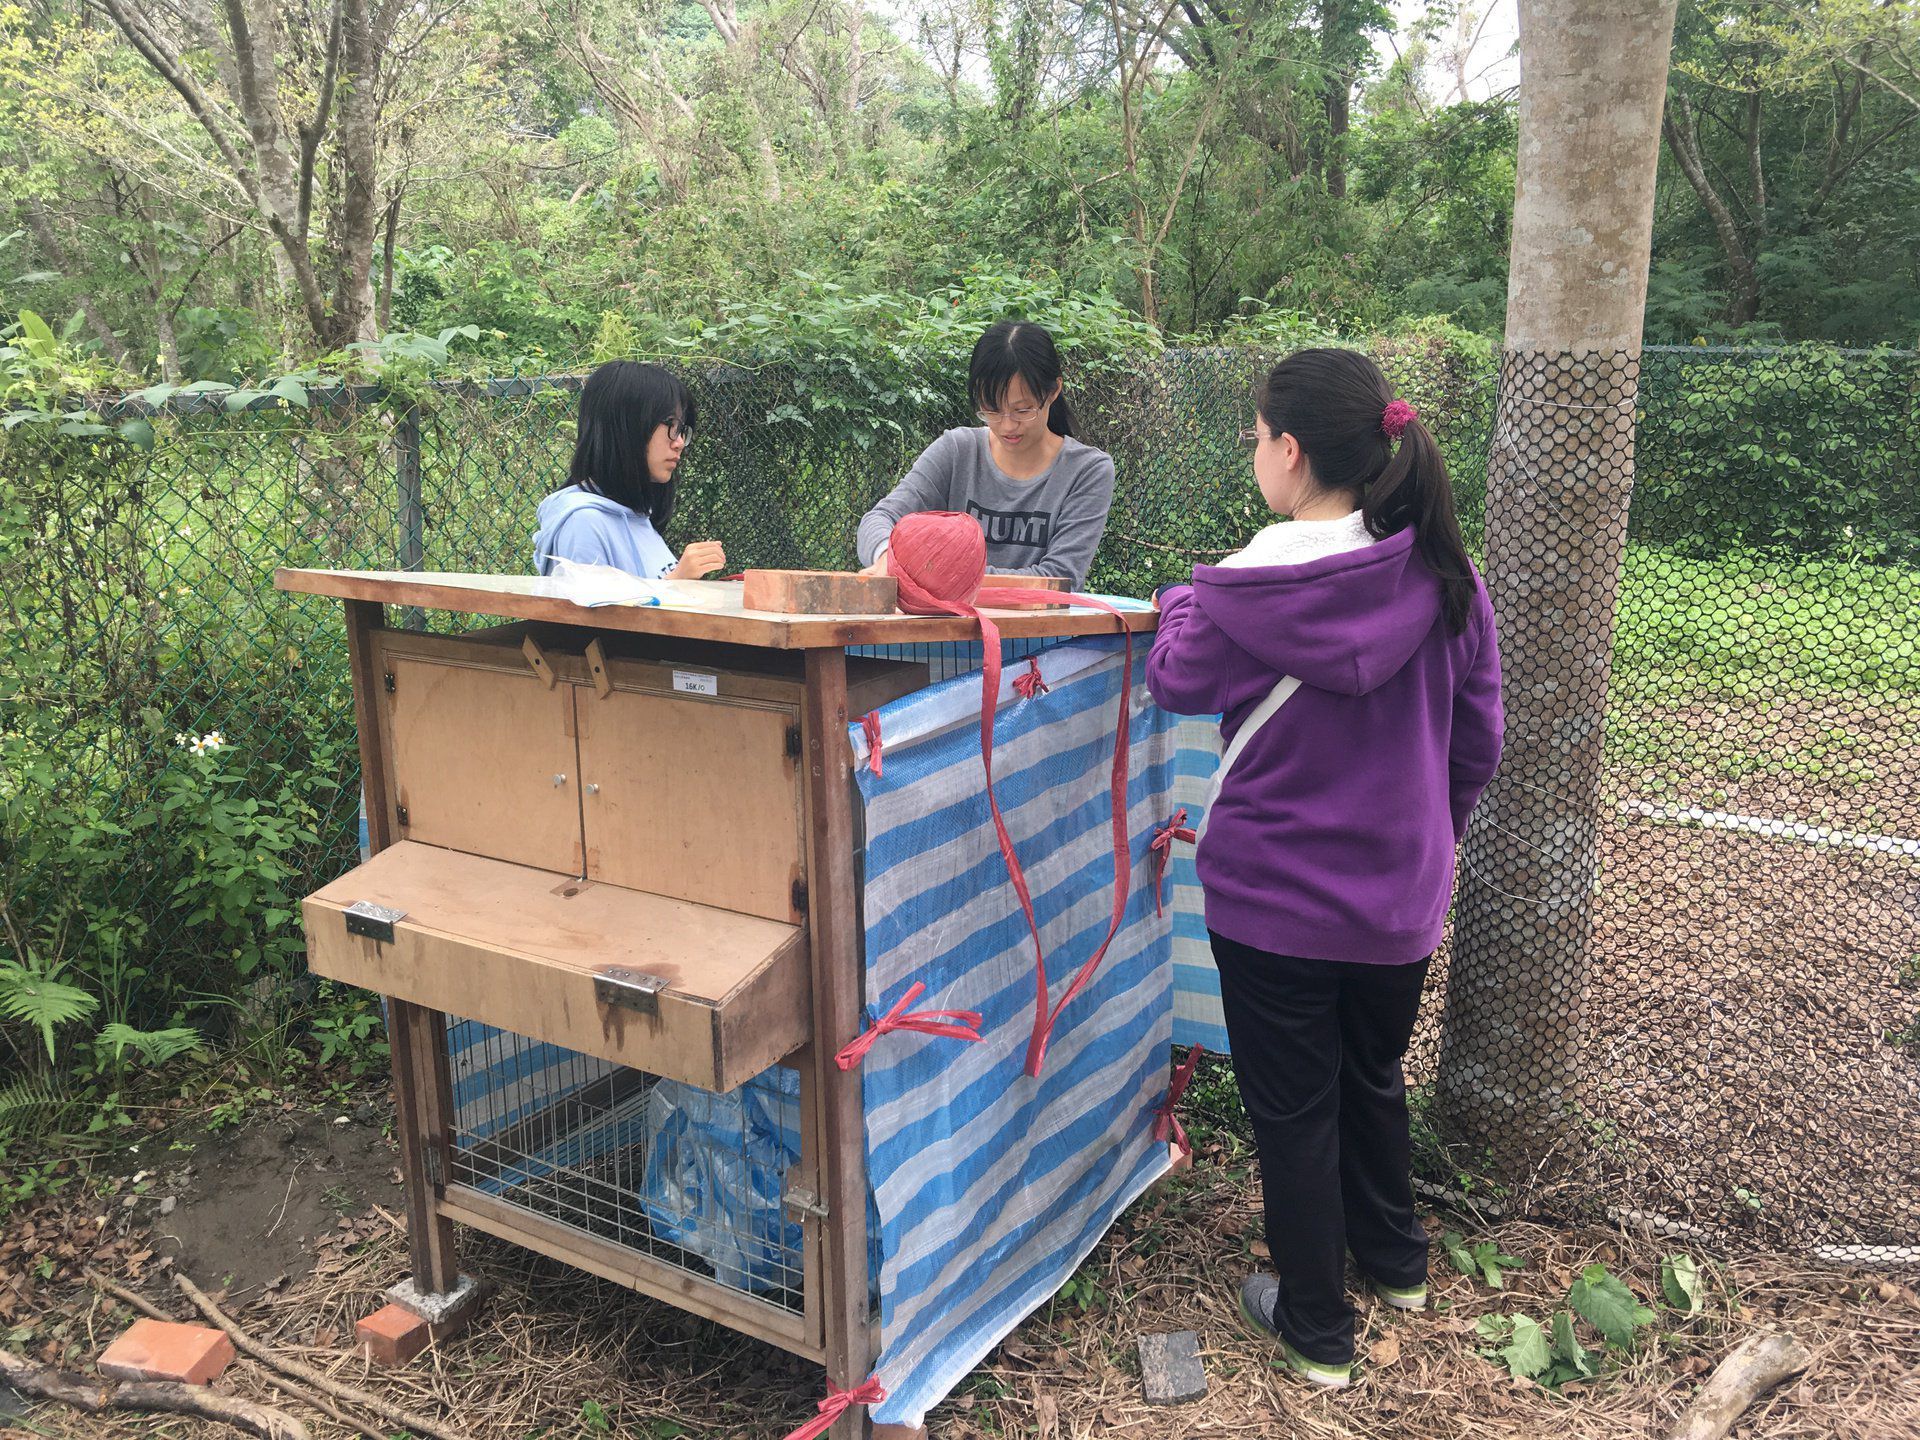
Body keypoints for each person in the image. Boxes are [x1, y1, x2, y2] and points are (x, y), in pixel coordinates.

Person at [1145, 348, 1504, 1389]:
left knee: (1294, 1113)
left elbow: (1177, 675)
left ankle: (1315, 1328)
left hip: (1272, 906)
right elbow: (1477, 739)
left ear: (1290, 453)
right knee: (1371, 1076)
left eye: (1257, 436)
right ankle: (1396, 1266)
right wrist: (1436, 836)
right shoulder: (1448, 575)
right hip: (1401, 901)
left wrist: (1177, 596)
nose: (1255, 451)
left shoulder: (1248, 585)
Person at [856, 321, 1114, 589]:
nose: (1007, 425)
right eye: (991, 410)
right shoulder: (957, 450)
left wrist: (935, 573)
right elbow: (879, 519)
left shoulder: (1087, 470)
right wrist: (888, 558)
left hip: (1041, 628)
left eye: (1023, 410)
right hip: (950, 628)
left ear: (1053, 392)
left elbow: (1060, 579)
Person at [532, 361, 726, 580]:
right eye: (670, 424)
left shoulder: (637, 516)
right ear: (626, 426)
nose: (679, 442)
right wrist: (676, 582)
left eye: (681, 429)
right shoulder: (584, 523)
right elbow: (589, 614)